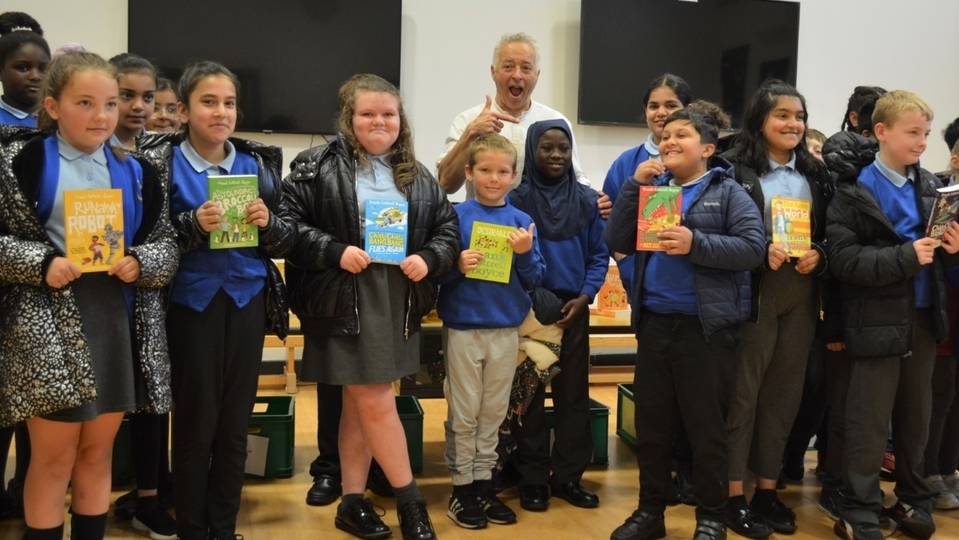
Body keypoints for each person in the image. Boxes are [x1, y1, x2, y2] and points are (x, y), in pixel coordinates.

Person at [0, 51, 177, 540]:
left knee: (96, 454)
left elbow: (166, 244)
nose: (102, 117)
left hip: (117, 320)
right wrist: (41, 263)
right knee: (53, 459)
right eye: (85, 103)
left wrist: (143, 262)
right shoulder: (21, 162)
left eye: (110, 103)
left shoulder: (139, 170)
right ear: (54, 106)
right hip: (46, 326)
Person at [282, 73, 458, 540]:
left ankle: (352, 502)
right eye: (368, 114)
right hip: (342, 295)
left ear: (401, 120)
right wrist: (333, 250)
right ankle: (410, 503)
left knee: (361, 407)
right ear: (349, 118)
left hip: (396, 299)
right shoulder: (313, 165)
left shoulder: (418, 175)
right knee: (375, 401)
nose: (379, 121)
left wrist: (428, 257)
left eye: (388, 114)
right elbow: (284, 227)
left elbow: (447, 231)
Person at [138, 60, 297, 540]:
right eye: (209, 102)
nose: (221, 112)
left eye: (229, 103)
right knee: (195, 421)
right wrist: (192, 225)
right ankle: (191, 527)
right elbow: (146, 238)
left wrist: (269, 224)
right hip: (190, 303)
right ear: (184, 111)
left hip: (247, 301)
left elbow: (285, 240)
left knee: (234, 420)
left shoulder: (258, 164)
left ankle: (223, 529)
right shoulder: (161, 165)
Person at [605, 102, 766, 540]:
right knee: (652, 428)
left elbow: (753, 250)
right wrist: (629, 189)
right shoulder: (654, 190)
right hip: (655, 323)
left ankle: (712, 517)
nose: (669, 141)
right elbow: (616, 240)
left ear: (708, 149)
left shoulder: (729, 192)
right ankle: (650, 513)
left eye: (682, 135)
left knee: (706, 431)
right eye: (664, 136)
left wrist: (696, 243)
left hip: (706, 330)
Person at [827, 90, 959, 540]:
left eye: (925, 133)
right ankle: (858, 508)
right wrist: (906, 256)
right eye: (913, 133)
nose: (923, 142)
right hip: (874, 320)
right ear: (881, 132)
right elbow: (843, 261)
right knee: (867, 421)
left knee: (915, 418)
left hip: (924, 319)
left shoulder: (930, 187)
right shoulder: (853, 189)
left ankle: (913, 499)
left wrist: (953, 253)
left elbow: (938, 259)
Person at [721, 80, 832, 538]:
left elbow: (833, 234)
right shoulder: (732, 169)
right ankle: (731, 496)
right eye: (782, 115)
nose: (793, 123)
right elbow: (721, 231)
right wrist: (758, 248)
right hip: (755, 291)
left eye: (799, 116)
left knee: (785, 395)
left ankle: (767, 490)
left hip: (801, 291)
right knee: (744, 394)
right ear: (759, 121)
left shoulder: (816, 173)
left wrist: (820, 255)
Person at [436, 132, 545, 529]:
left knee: (494, 413)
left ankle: (485, 485)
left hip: (505, 330)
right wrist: (456, 266)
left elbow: (535, 278)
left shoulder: (521, 222)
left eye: (502, 172)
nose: (494, 178)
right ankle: (461, 488)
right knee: (464, 412)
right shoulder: (454, 218)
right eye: (485, 170)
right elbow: (436, 275)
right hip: (464, 329)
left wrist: (525, 252)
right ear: (469, 172)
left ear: (514, 176)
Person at [504, 119, 607, 512]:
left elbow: (598, 256)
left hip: (574, 310)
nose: (556, 155)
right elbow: (513, 255)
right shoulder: (516, 202)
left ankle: (567, 478)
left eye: (563, 148)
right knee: (529, 397)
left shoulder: (587, 201)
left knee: (573, 397)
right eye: (546, 147)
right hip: (530, 311)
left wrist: (585, 296)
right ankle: (532, 477)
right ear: (532, 151)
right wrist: (534, 295)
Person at [436, 32, 609, 217]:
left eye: (526, 68)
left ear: (537, 75)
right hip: (485, 229)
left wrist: (596, 200)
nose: (517, 75)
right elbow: (445, 184)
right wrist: (471, 135)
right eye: (508, 66)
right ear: (493, 72)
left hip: (542, 228)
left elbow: (576, 177)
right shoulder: (468, 120)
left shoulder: (555, 122)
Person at [0, 12, 50, 518]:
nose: (32, 77)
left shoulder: (58, 131)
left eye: (41, 68)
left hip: (51, 284)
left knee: (42, 406)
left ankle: (27, 493)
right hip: (7, 276)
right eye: (21, 67)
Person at [923, 116, 959, 510]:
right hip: (944, 319)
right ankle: (928, 472)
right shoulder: (944, 201)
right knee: (940, 397)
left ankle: (949, 471)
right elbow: (944, 264)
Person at [0, 12, 49, 128]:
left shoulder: (60, 119)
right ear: (1, 72)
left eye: (43, 68)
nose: (35, 76)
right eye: (23, 68)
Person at [108, 53, 156, 150]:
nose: (138, 106)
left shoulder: (162, 148)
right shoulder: (93, 150)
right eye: (127, 95)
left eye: (148, 97)